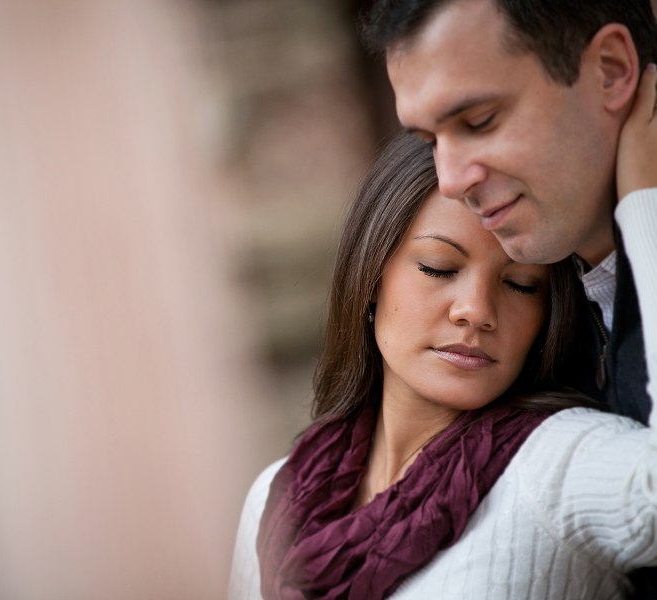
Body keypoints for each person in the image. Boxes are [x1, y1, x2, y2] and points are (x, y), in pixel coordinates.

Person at [227, 130, 657, 598]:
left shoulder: (554, 462)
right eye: (438, 267)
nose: (476, 310)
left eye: (520, 285)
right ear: (371, 276)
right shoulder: (276, 498)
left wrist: (643, 198)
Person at [360, 2, 657, 594]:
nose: (449, 178)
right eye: (427, 137)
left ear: (611, 69)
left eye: (478, 121)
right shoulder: (575, 310)